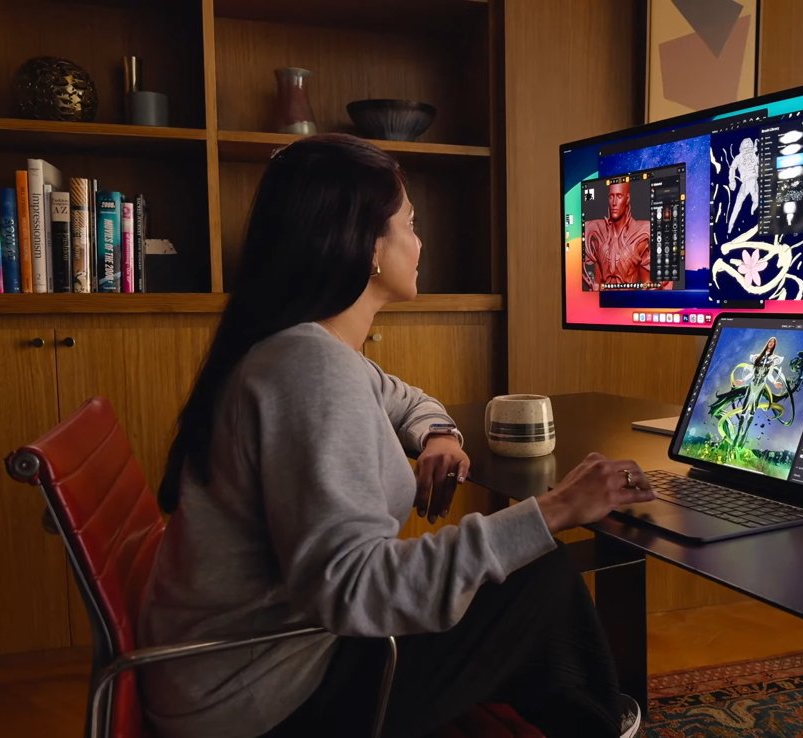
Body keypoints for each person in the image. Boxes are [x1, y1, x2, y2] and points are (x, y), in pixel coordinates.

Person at [138, 133, 655, 738]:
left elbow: (406, 399)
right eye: (409, 224)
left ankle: (584, 715)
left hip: (252, 672)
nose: (419, 241)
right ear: (368, 244)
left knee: (524, 577)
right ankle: (598, 722)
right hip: (266, 704)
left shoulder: (308, 348)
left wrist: (437, 434)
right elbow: (355, 589)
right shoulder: (309, 371)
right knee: (536, 577)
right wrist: (558, 507)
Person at [583, 179, 651, 288]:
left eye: (619, 196)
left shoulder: (640, 236)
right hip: (604, 303)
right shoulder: (599, 236)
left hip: (630, 302)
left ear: (627, 199)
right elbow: (597, 283)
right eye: (611, 196)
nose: (614, 203)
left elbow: (646, 284)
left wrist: (658, 288)